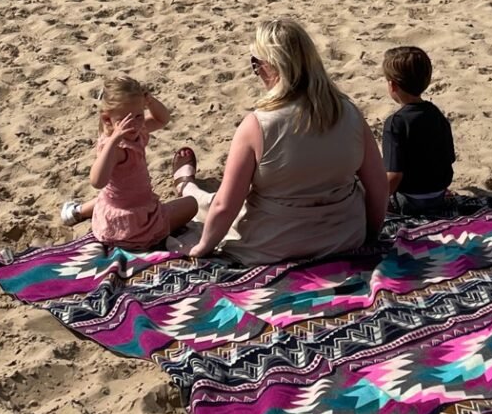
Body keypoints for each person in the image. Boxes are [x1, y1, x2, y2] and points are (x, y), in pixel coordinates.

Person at [173, 16, 386, 263]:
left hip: (275, 244)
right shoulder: (349, 112)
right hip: (344, 237)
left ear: (270, 66)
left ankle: (187, 188)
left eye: (256, 64)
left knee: (212, 205)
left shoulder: (257, 125)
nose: (256, 72)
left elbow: (226, 205)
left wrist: (203, 248)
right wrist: (370, 234)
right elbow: (379, 186)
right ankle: (188, 188)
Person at [60, 74, 199, 251]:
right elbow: (96, 181)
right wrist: (113, 141)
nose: (134, 124)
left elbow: (162, 119)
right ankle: (80, 212)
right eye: (125, 120)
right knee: (191, 204)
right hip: (132, 225)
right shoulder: (116, 148)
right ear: (107, 119)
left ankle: (76, 212)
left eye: (139, 116)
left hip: (119, 206)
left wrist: (150, 101)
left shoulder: (136, 130)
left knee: (110, 195)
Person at [380, 45, 456, 215]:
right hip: (439, 195)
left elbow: (394, 175)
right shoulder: (436, 114)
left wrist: (376, 201)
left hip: (409, 200)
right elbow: (449, 158)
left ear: (392, 85)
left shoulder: (395, 123)